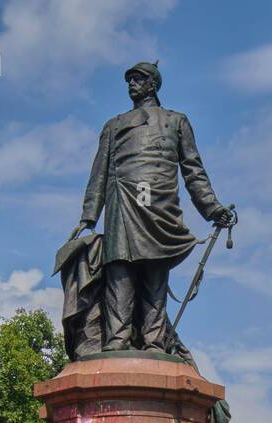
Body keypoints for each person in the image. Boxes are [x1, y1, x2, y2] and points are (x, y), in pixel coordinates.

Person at [71, 61, 233, 351]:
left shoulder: (176, 121)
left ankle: (154, 342)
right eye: (129, 80)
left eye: (138, 79)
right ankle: (117, 339)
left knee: (155, 273)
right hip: (122, 203)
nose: (131, 85)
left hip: (159, 205)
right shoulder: (114, 125)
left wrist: (212, 208)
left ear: (153, 84)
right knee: (119, 270)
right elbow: (99, 173)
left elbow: (193, 171)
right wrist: (89, 216)